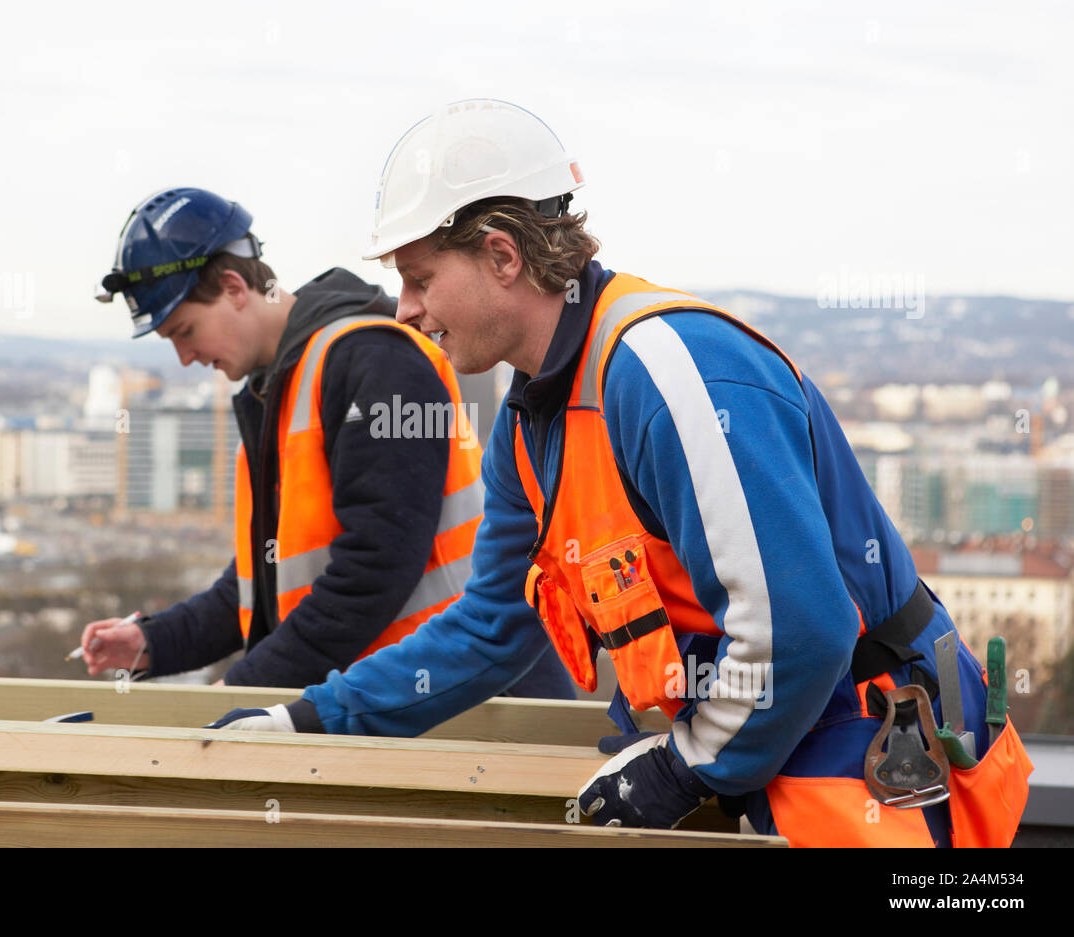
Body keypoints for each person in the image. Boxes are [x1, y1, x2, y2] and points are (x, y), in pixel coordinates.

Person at [209, 101, 1033, 847]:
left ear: (501, 255)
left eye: (421, 279)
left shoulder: (665, 372)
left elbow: (803, 628)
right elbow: (491, 626)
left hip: (871, 765)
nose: (405, 310)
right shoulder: (534, 421)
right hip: (774, 762)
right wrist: (314, 716)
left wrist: (682, 767)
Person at [80, 186, 574, 697]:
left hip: (472, 705)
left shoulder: (376, 363)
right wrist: (152, 641)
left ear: (232, 287)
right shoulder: (279, 387)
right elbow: (260, 583)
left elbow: (374, 569)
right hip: (393, 704)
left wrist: (246, 690)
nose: (186, 357)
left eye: (184, 331)